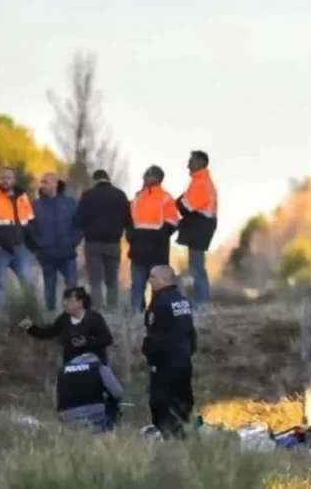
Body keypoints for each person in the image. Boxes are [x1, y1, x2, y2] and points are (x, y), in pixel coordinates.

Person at [143, 265, 197, 439]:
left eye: (152, 277)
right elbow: (190, 332)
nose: (149, 281)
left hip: (165, 364)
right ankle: (184, 435)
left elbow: (155, 336)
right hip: (183, 360)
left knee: (162, 404)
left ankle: (169, 438)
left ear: (164, 280)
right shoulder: (182, 300)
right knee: (183, 402)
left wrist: (151, 357)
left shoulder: (159, 303)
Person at [74, 169, 132, 310]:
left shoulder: (87, 195)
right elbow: (128, 221)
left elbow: (78, 220)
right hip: (113, 243)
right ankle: (112, 309)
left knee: (95, 280)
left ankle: (97, 309)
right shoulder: (120, 195)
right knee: (112, 281)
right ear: (108, 179)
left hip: (93, 243)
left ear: (95, 180)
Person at [128, 166, 180, 313]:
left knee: (160, 286)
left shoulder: (166, 198)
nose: (144, 177)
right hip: (138, 249)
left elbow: (173, 222)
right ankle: (137, 315)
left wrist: (159, 236)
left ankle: (158, 313)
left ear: (157, 178)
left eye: (147, 175)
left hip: (157, 250)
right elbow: (129, 220)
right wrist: (131, 235)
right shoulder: (137, 198)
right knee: (137, 285)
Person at [18, 286, 114, 365]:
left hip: (94, 366)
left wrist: (87, 342)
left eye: (69, 300)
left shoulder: (94, 318)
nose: (65, 303)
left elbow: (107, 339)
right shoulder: (64, 319)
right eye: (65, 300)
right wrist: (31, 327)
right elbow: (49, 332)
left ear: (80, 303)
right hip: (71, 367)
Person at [0, 166, 38, 312]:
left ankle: (33, 312)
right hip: (0, 249)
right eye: (2, 177)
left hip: (19, 248)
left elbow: (29, 222)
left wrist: (34, 244)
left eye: (8, 178)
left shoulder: (23, 197)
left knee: (28, 282)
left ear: (14, 180)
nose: (5, 180)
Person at [33, 173, 83, 312]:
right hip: (46, 254)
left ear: (56, 184)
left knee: (72, 285)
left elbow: (79, 225)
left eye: (46, 182)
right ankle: (50, 314)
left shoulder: (70, 203)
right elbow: (30, 228)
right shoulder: (36, 205)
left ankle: (72, 313)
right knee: (49, 286)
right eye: (42, 182)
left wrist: (73, 242)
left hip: (67, 253)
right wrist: (38, 244)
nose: (43, 185)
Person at [176, 150, 218, 306]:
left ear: (201, 162)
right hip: (200, 225)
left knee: (197, 268)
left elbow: (184, 206)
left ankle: (202, 303)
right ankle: (200, 302)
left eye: (191, 161)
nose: (188, 164)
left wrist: (180, 200)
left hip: (200, 226)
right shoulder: (200, 181)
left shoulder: (201, 183)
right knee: (196, 267)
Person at [56, 350, 124, 433]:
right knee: (114, 402)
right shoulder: (98, 367)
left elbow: (56, 399)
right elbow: (117, 393)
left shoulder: (62, 371)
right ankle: (107, 430)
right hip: (94, 414)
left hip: (66, 416)